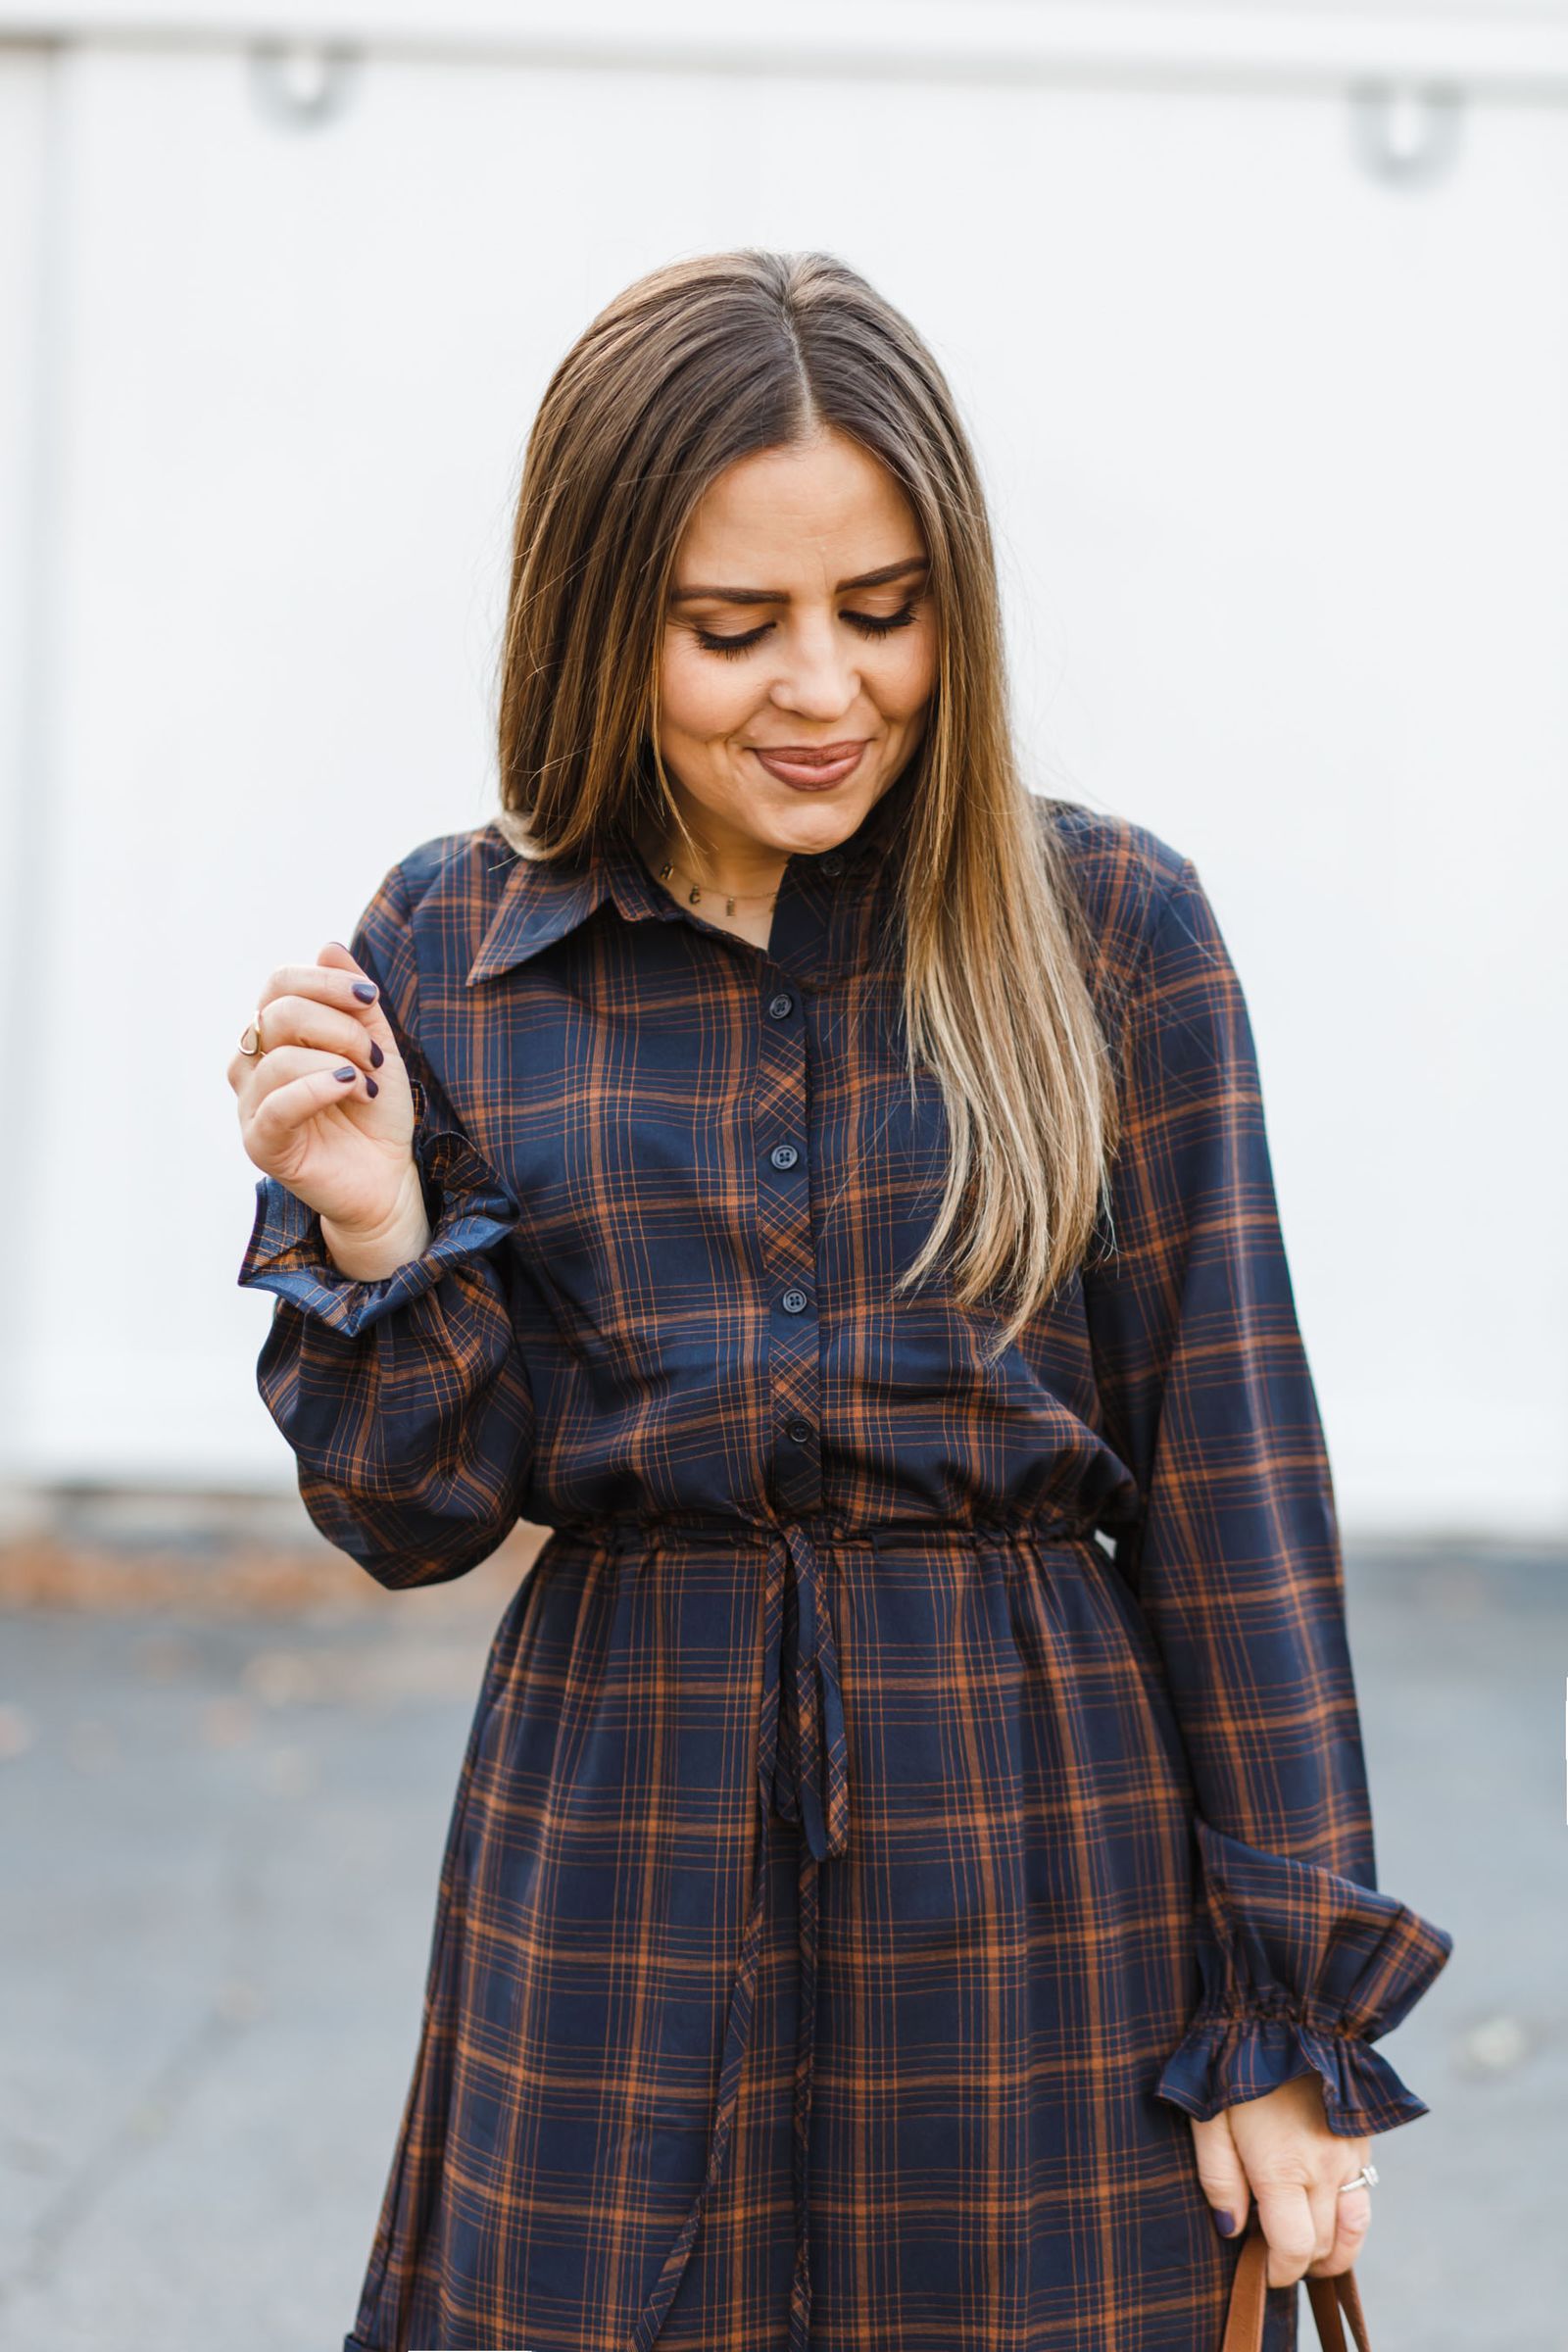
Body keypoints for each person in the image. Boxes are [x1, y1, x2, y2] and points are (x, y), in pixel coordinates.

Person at [227, 250, 1453, 2352]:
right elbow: (410, 1520)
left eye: (883, 611)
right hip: (613, 1872)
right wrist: (365, 1228)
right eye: (734, 628)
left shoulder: (1110, 932)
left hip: (1033, 1869)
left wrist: (1285, 2026)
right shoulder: (446, 944)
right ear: (597, 618)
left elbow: (1232, 1497)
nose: (823, 688)